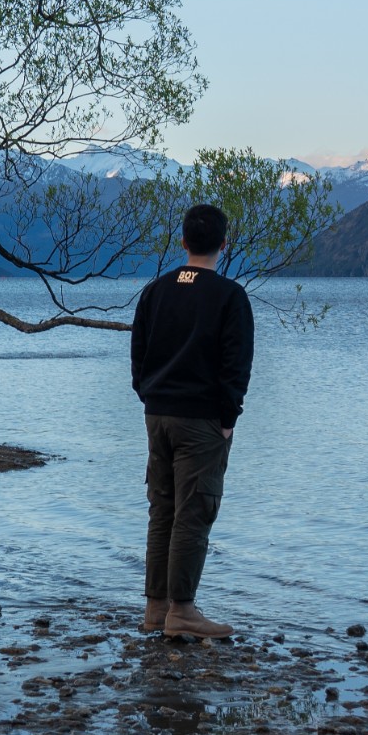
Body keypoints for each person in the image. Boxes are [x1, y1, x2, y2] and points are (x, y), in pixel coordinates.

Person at [130, 202, 254, 639]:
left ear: (182, 241)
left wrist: (150, 397)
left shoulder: (155, 291)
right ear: (224, 244)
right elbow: (236, 366)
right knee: (193, 513)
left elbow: (138, 358)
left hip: (157, 415)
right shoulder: (229, 296)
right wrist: (228, 419)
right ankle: (181, 611)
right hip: (200, 421)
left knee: (161, 510)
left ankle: (155, 608)